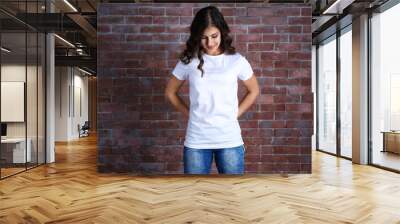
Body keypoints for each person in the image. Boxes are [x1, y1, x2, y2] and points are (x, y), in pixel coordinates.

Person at [164, 6, 260, 175]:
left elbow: (254, 90)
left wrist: (235, 113)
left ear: (222, 32)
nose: (209, 43)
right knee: (196, 196)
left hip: (229, 139)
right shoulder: (189, 61)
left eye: (214, 36)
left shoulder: (237, 61)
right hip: (197, 141)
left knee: (233, 194)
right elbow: (170, 92)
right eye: (203, 38)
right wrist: (190, 113)